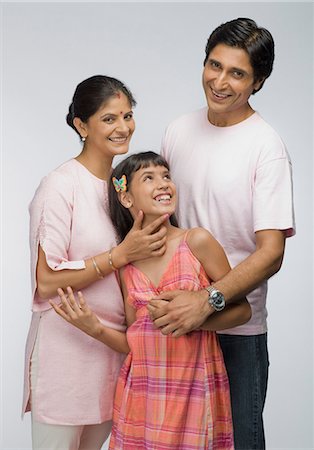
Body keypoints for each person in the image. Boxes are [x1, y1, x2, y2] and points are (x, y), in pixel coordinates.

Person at [148, 18, 296, 450]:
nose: (220, 81)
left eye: (237, 73)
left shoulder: (266, 147)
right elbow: (160, 214)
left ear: (259, 81)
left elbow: (271, 253)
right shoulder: (178, 130)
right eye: (214, 65)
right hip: (176, 323)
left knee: (238, 443)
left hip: (236, 331)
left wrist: (207, 300)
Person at [50, 151, 252, 450]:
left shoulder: (196, 242)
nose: (164, 183)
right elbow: (136, 341)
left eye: (166, 176)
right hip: (141, 396)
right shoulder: (125, 266)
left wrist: (196, 316)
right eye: (149, 177)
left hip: (193, 393)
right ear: (126, 198)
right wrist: (94, 328)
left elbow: (243, 310)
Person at [22, 76, 169, 450]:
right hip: (67, 353)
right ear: (81, 126)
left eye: (127, 115)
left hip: (114, 350)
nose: (123, 128)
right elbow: (46, 280)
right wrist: (118, 256)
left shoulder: (124, 187)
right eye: (109, 119)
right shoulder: (60, 185)